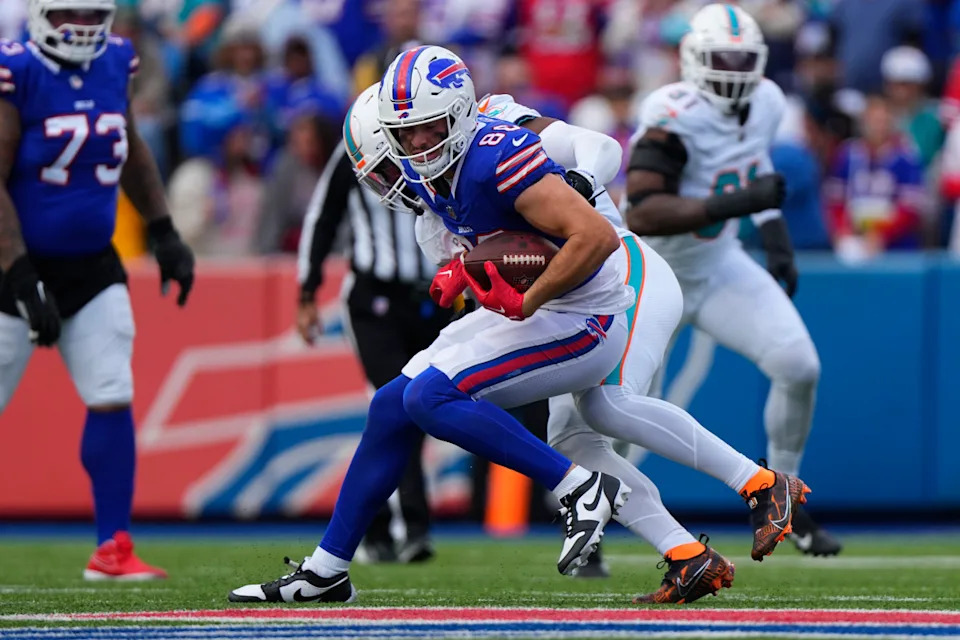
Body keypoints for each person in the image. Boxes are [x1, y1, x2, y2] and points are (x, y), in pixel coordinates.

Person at [229, 45, 636, 604]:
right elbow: (493, 241)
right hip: (543, 309)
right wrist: (461, 273)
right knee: (390, 405)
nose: (418, 145)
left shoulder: (496, 153)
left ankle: (578, 488)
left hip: (584, 314)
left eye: (428, 128)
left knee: (428, 397)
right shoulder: (426, 171)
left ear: (461, 113)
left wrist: (528, 298)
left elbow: (596, 237)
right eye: (406, 135)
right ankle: (327, 571)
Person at [623, 4, 841, 557]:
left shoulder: (767, 101)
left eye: (743, 59)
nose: (733, 70)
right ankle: (601, 513)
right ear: (694, 59)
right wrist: (744, 203)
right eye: (722, 58)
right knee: (623, 406)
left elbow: (754, 166)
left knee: (799, 364)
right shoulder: (672, 110)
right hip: (654, 272)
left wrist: (775, 239)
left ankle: (785, 497)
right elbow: (645, 210)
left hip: (717, 262)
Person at [0, 0, 195, 579]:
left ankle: (113, 547)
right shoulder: (18, 70)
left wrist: (163, 231)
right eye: (69, 14)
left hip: (91, 265)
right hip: (12, 267)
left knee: (111, 389)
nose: (82, 25)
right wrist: (17, 271)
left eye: (92, 12)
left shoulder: (116, 61)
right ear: (40, 14)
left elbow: (130, 148)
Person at [294, 89, 452, 564]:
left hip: (433, 297)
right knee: (397, 404)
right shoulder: (359, 147)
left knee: (425, 406)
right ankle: (407, 527)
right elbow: (322, 217)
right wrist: (306, 290)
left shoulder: (447, 145)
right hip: (375, 298)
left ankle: (385, 527)